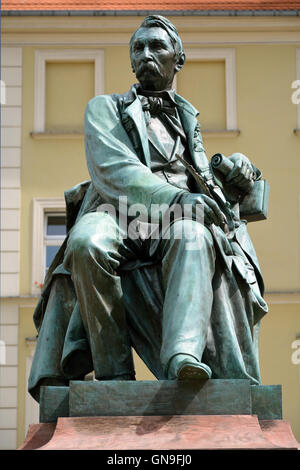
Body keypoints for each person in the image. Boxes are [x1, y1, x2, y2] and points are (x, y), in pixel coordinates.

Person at [29, 15, 268, 402]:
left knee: (193, 234)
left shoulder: (189, 120)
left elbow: (202, 181)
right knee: (87, 241)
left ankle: (182, 356)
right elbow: (114, 171)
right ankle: (113, 371)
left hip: (177, 220)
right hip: (117, 212)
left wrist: (241, 169)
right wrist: (179, 201)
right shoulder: (104, 108)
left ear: (179, 58)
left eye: (157, 46)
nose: (146, 54)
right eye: (138, 48)